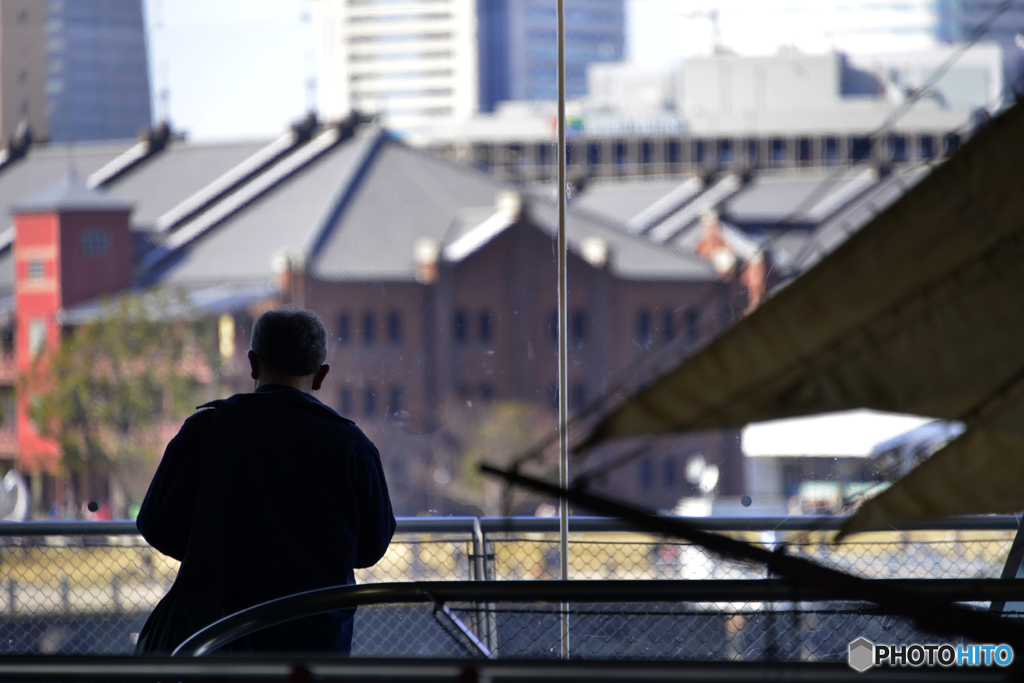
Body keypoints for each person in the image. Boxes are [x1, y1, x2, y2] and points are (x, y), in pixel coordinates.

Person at [136, 307, 395, 653]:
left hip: (219, 639)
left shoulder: (207, 430)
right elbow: (371, 548)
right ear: (321, 376)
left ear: (253, 363)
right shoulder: (352, 447)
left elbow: (155, 524)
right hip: (318, 644)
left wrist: (208, 547)